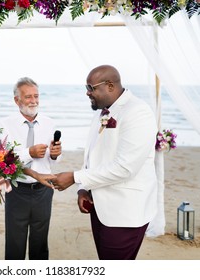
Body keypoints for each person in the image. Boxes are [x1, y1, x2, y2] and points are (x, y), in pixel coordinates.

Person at [52, 65, 158, 260]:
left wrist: (75, 178)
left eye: (91, 87)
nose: (87, 92)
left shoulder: (138, 112)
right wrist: (83, 188)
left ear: (110, 85)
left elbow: (125, 168)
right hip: (100, 207)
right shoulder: (103, 111)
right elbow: (94, 156)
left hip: (124, 213)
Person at [0, 77, 62, 260]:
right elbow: (2, 161)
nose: (33, 101)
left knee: (40, 243)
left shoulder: (49, 123)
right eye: (28, 97)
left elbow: (53, 160)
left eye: (36, 96)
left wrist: (56, 153)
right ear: (17, 100)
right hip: (17, 190)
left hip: (43, 190)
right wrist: (29, 153)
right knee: (15, 244)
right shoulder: (5, 125)